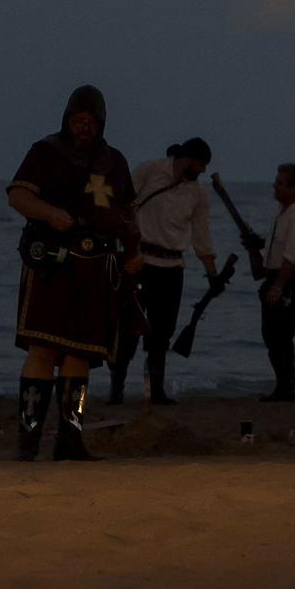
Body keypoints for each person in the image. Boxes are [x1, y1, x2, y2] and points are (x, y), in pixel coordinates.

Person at [7, 85, 140, 461]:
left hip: (96, 266)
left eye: (90, 121)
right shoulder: (46, 151)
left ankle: (69, 441)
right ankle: (29, 442)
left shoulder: (113, 161)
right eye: (77, 120)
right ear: (67, 119)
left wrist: (135, 248)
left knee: (80, 352)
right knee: (42, 347)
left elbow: (127, 210)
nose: (84, 127)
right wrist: (50, 214)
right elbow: (18, 195)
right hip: (53, 260)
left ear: (100, 124)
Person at [110, 138, 220, 406]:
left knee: (161, 333)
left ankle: (155, 391)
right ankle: (117, 389)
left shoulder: (199, 193)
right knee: (128, 329)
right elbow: (123, 203)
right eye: (201, 164)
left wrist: (212, 273)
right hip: (140, 262)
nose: (203, 171)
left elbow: (201, 236)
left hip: (172, 269)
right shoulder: (150, 170)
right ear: (188, 158)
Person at [259, 163, 295, 402]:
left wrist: (278, 287)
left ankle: (288, 388)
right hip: (279, 279)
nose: (275, 186)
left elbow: (291, 259)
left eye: (280, 183)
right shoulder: (283, 214)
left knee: (280, 337)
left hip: (290, 284)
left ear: (293, 188)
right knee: (273, 336)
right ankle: (286, 386)